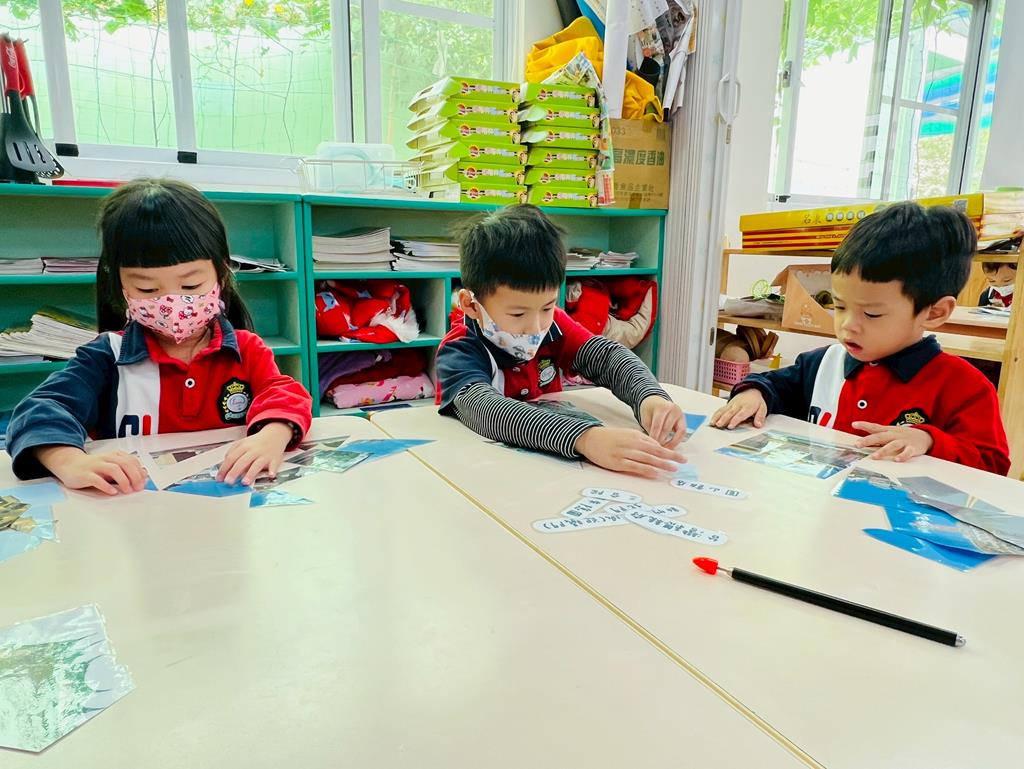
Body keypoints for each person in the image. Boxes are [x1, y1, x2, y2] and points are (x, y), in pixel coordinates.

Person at [7, 179, 313, 493]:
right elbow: (39, 411)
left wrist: (273, 434)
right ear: (121, 286)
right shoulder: (106, 356)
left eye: (191, 285)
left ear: (221, 275)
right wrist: (68, 460)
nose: (171, 303)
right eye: (147, 288)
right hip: (134, 507)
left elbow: (285, 393)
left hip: (229, 504)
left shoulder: (247, 349)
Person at [712, 201, 1010, 475]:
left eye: (871, 314)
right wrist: (754, 394)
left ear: (934, 312)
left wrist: (929, 440)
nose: (848, 325)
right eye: (840, 306)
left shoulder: (965, 387)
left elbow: (993, 466)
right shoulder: (825, 363)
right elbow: (773, 384)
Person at [435, 204, 686, 478]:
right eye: (517, 314)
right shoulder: (459, 350)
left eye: (547, 307)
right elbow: (488, 412)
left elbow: (607, 357)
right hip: (480, 473)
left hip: (548, 470)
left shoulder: (553, 323)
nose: (536, 327)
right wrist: (585, 438)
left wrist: (649, 398)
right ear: (471, 305)